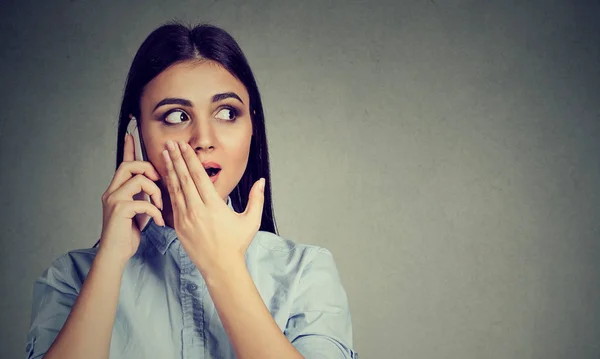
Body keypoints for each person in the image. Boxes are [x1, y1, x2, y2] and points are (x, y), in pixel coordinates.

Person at [25, 21, 358, 359]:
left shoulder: (305, 272)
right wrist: (110, 261)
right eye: (175, 116)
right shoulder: (71, 278)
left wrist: (222, 265)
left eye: (227, 112)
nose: (204, 140)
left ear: (252, 124)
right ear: (137, 129)